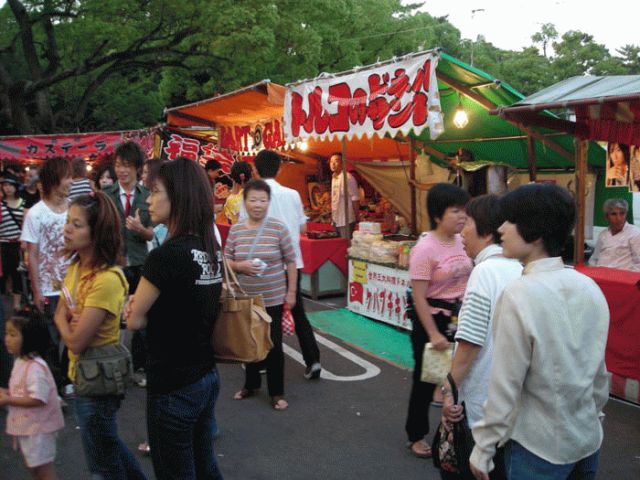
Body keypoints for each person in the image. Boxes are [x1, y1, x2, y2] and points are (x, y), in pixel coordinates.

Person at [469, 184, 609, 480]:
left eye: (511, 221)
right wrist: (594, 416)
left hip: (539, 447)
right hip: (587, 440)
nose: (501, 228)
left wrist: (484, 446)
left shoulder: (520, 293)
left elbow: (506, 383)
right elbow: (598, 372)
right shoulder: (589, 287)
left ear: (534, 231)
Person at [126, 157, 224, 479]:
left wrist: (135, 307)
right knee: (205, 465)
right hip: (205, 377)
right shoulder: (209, 248)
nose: (149, 200)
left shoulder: (164, 256)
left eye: (155, 192)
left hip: (173, 384)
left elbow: (135, 320)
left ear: (178, 196)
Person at [53, 191, 146, 480]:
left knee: (101, 465)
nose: (67, 229)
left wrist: (68, 325)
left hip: (97, 381)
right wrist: (69, 321)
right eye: (68, 221)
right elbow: (58, 313)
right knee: (108, 446)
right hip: (81, 374)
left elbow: (77, 341)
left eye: (77, 224)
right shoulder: (76, 267)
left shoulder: (106, 279)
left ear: (97, 232)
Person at [439, 195, 522, 480]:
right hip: (516, 408)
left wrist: (449, 391)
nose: (462, 232)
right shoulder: (523, 268)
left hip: (482, 408)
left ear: (487, 232)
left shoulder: (485, 272)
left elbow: (469, 344)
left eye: (468, 223)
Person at [239, 150, 322, 379]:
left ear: (255, 169)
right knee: (297, 312)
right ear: (279, 168)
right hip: (292, 263)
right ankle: (313, 359)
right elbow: (303, 228)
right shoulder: (293, 194)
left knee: (263, 316)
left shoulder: (249, 196)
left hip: (261, 266)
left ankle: (263, 361)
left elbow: (242, 228)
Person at [405, 183, 472, 459]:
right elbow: (419, 297)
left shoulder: (462, 240)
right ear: (437, 215)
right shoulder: (424, 248)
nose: (462, 217)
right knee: (426, 378)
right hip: (431, 320)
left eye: (464, 211)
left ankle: (459, 430)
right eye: (455, 211)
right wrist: (433, 333)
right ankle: (416, 434)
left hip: (460, 316)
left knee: (461, 375)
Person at [227, 179, 297, 410]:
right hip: (245, 297)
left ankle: (277, 392)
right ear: (244, 202)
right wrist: (240, 266)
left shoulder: (278, 227)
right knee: (248, 342)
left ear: (269, 202)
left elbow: (290, 260)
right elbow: (226, 259)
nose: (258, 205)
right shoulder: (236, 230)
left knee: (273, 345)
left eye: (263, 200)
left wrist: (292, 292)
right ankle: (251, 384)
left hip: (273, 298)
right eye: (253, 200)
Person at [20, 157, 73, 391]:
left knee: (73, 335)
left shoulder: (74, 209)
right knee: (51, 339)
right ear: (53, 180)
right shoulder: (35, 214)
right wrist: (36, 289)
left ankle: (67, 379)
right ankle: (55, 384)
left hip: (73, 285)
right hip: (48, 287)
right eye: (66, 177)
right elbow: (31, 254)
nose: (70, 182)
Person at [104, 141, 152, 385]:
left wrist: (141, 229)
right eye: (118, 165)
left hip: (140, 263)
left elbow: (153, 234)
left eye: (127, 166)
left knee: (140, 318)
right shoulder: (106, 196)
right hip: (114, 265)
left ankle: (139, 367)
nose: (122, 171)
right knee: (113, 318)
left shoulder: (147, 197)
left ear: (137, 168)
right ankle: (113, 367)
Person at [1, 312, 64, 480]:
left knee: (43, 471)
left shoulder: (35, 367)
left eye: (13, 334)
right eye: (6, 333)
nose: (7, 339)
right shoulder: (21, 361)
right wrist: (7, 393)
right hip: (29, 428)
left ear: (29, 338)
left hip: (39, 430)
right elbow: (25, 390)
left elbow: (38, 398)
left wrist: (8, 399)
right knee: (35, 469)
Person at [589, 198, 640, 271]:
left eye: (622, 213)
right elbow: (594, 259)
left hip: (622, 277)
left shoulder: (635, 233)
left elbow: (638, 263)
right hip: (599, 275)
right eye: (613, 214)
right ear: (606, 217)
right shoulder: (603, 234)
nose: (618, 218)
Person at [0, 174, 27, 311]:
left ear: (16, 187)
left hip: (18, 243)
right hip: (3, 243)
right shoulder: (0, 203)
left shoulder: (23, 203)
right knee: (3, 273)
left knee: (17, 273)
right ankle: (4, 301)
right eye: (5, 185)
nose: (8, 188)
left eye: (10, 185)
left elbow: (26, 224)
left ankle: (16, 303)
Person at [329, 152, 360, 238]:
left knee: (346, 245)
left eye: (336, 161)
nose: (333, 164)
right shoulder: (333, 177)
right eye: (331, 162)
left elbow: (355, 198)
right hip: (336, 219)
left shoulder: (348, 178)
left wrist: (357, 216)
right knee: (338, 246)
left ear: (342, 163)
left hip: (346, 220)